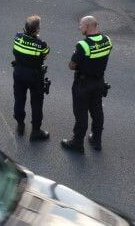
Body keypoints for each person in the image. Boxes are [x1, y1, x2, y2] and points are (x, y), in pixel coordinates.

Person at [62, 16, 113, 153]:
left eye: (81, 25)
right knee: (97, 111)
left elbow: (72, 66)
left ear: (88, 26)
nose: (79, 27)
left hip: (83, 84)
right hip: (99, 82)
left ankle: (77, 144)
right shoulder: (107, 40)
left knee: (81, 114)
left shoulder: (83, 45)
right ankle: (97, 140)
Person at [12, 15, 50, 141]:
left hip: (18, 74)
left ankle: (20, 125)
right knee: (36, 103)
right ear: (37, 30)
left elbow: (15, 51)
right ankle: (36, 131)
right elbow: (45, 55)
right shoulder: (41, 44)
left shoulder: (17, 38)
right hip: (35, 77)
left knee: (19, 99)